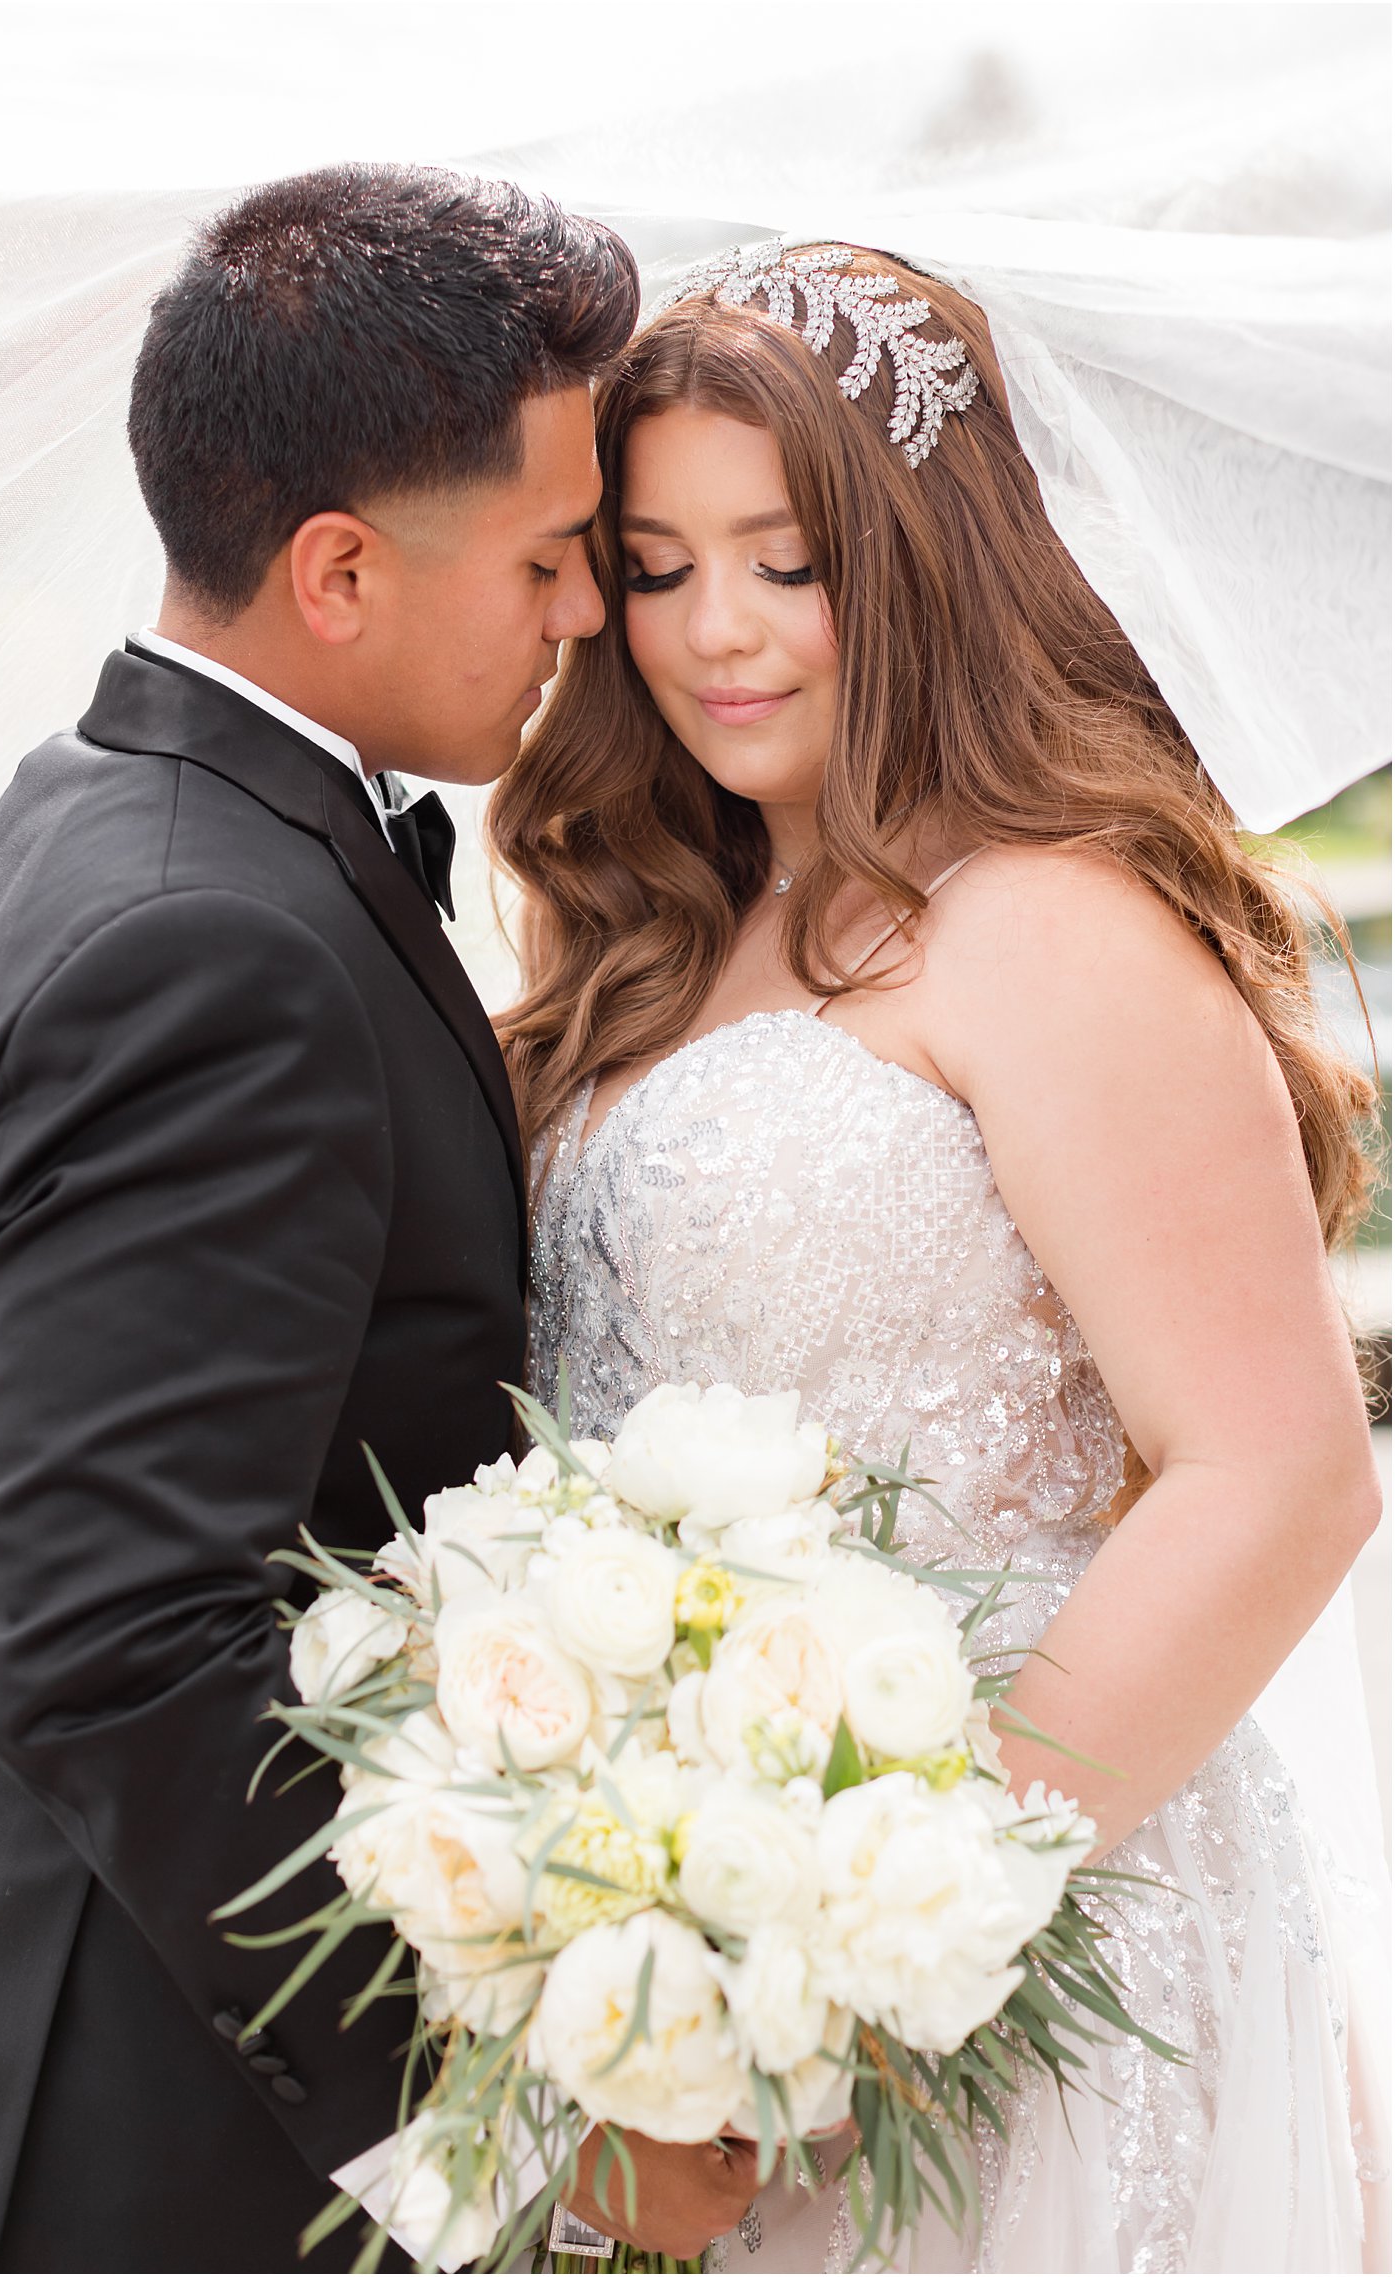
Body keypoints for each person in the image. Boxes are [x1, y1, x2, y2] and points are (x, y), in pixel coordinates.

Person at [490, 242, 1387, 2271]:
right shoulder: (647, 937)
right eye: (652, 564)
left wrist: (876, 1940)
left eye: (783, 560)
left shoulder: (1053, 921)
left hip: (1013, 1923)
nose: (711, 630)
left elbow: (1276, 1471)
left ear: (912, 559)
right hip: (692, 1933)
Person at [0, 159, 671, 2277]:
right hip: (173, 2143)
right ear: (336, 571)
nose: (586, 614)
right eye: (550, 554)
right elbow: (121, 1644)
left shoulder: (106, 817)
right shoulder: (207, 945)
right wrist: (492, 2128)